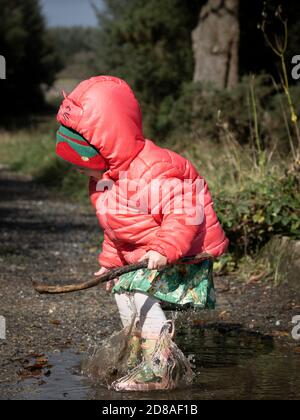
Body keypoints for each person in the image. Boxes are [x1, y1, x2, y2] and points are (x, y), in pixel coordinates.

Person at [55, 75, 229, 391]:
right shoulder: (105, 180)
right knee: (122, 288)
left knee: (137, 292)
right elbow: (117, 228)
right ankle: (137, 352)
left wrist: (165, 248)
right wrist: (110, 263)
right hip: (149, 256)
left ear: (106, 147)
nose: (82, 175)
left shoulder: (153, 171)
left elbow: (185, 213)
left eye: (83, 166)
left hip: (182, 253)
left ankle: (159, 369)